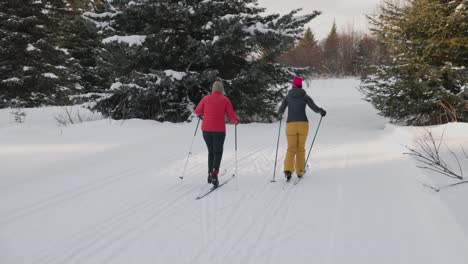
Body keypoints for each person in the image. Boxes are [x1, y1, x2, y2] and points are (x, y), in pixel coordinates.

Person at [278, 76, 326, 180]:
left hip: (290, 125)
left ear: (293, 85)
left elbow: (280, 111)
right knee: (300, 148)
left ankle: (288, 170)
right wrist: (321, 111)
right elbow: (314, 107)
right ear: (300, 85)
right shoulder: (305, 96)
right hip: (303, 124)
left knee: (291, 148)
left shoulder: (287, 97)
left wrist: (280, 114)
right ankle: (300, 171)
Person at [195, 81, 239, 187]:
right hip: (219, 130)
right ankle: (215, 173)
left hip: (206, 130)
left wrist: (203, 115)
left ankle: (210, 173)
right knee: (218, 152)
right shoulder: (225, 100)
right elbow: (231, 115)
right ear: (221, 90)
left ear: (213, 89)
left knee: (211, 152)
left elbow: (197, 111)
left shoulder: (206, 98)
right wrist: (236, 121)